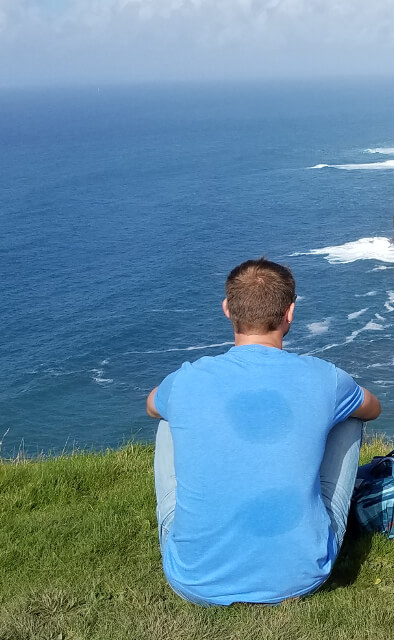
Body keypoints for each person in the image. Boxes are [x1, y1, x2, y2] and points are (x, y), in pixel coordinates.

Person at [145, 258, 381, 606]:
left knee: (167, 415)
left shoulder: (187, 378)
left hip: (194, 580)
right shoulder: (325, 377)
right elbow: (372, 408)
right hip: (302, 576)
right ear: (290, 313)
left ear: (227, 309)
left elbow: (151, 406)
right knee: (350, 415)